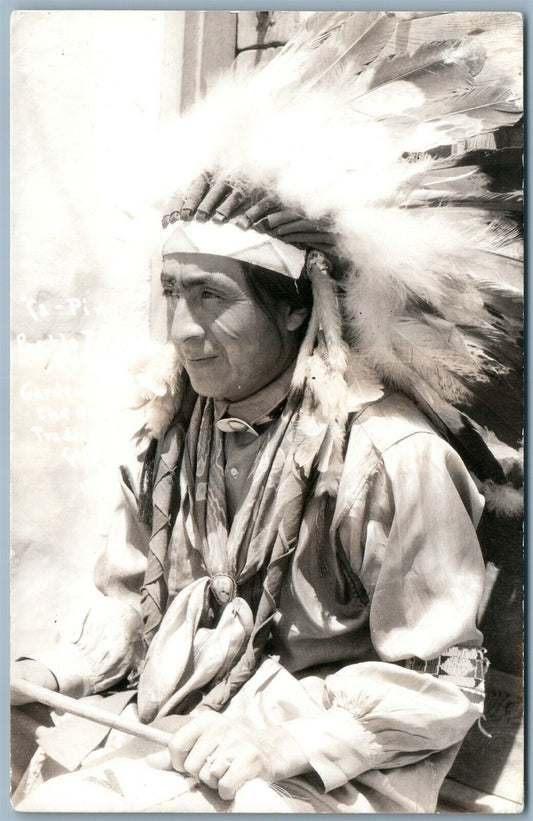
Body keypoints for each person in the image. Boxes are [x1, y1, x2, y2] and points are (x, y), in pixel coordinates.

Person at [11, 10, 522, 814]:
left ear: (294, 310)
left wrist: (281, 739)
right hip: (181, 718)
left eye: (210, 297)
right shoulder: (172, 430)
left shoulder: (389, 454)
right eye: (171, 292)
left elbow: (440, 680)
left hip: (321, 763)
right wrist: (56, 671)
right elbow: (126, 595)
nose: (182, 331)